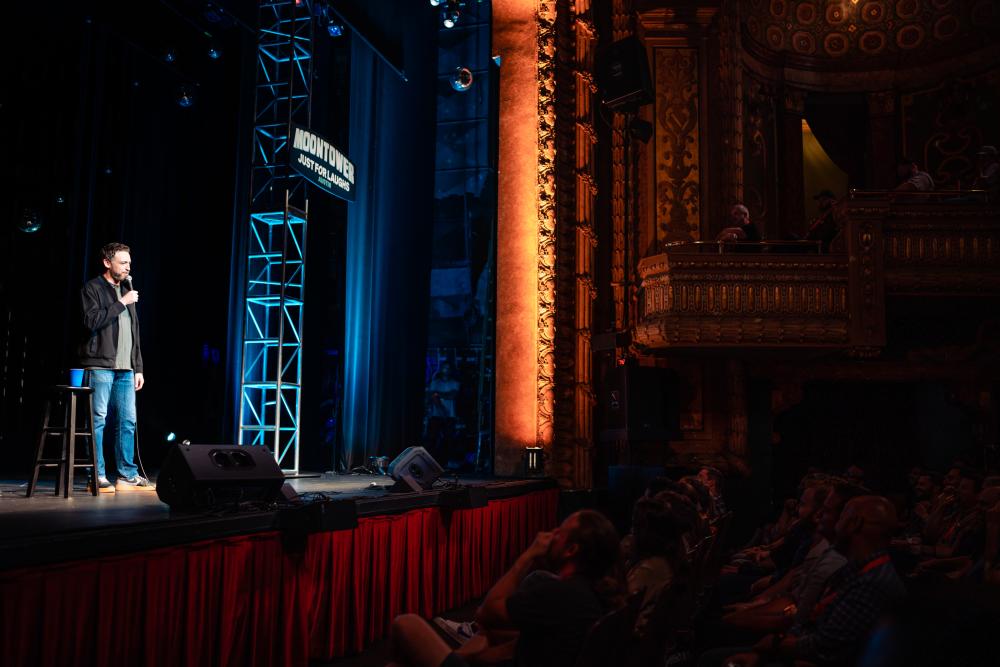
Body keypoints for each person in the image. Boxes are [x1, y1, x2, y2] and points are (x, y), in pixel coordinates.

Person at [388, 510, 623, 667]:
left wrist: (527, 555)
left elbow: (485, 613)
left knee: (406, 623)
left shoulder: (558, 593)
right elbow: (509, 640)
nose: (550, 535)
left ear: (571, 550)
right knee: (488, 636)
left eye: (559, 532)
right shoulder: (594, 592)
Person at [78, 242, 149, 490]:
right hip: (100, 365)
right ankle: (96, 476)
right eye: (123, 262)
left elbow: (134, 331)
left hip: (126, 369)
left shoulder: (127, 289)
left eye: (129, 262)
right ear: (108, 263)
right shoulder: (93, 288)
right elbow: (91, 321)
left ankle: (126, 474)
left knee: (128, 421)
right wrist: (122, 302)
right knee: (98, 420)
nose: (128, 266)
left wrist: (138, 367)